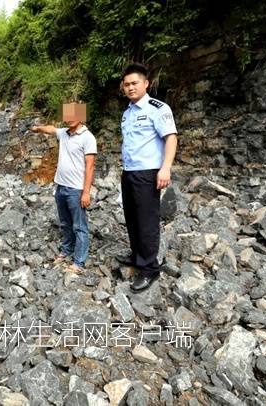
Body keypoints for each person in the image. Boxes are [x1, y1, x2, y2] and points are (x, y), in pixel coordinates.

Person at [117, 63, 178, 292]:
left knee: (147, 220)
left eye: (134, 83)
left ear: (146, 83)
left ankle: (149, 268)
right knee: (132, 216)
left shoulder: (158, 108)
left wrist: (166, 168)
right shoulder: (127, 113)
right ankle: (137, 255)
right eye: (127, 84)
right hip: (130, 171)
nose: (130, 88)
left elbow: (171, 138)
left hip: (149, 172)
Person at [31, 103, 97, 273]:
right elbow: (51, 129)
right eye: (66, 115)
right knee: (65, 223)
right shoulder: (64, 133)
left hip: (76, 190)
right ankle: (66, 250)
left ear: (81, 116)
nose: (69, 118)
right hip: (61, 186)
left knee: (79, 226)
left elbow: (90, 166)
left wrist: (86, 192)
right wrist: (38, 129)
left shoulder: (88, 137)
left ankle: (79, 262)